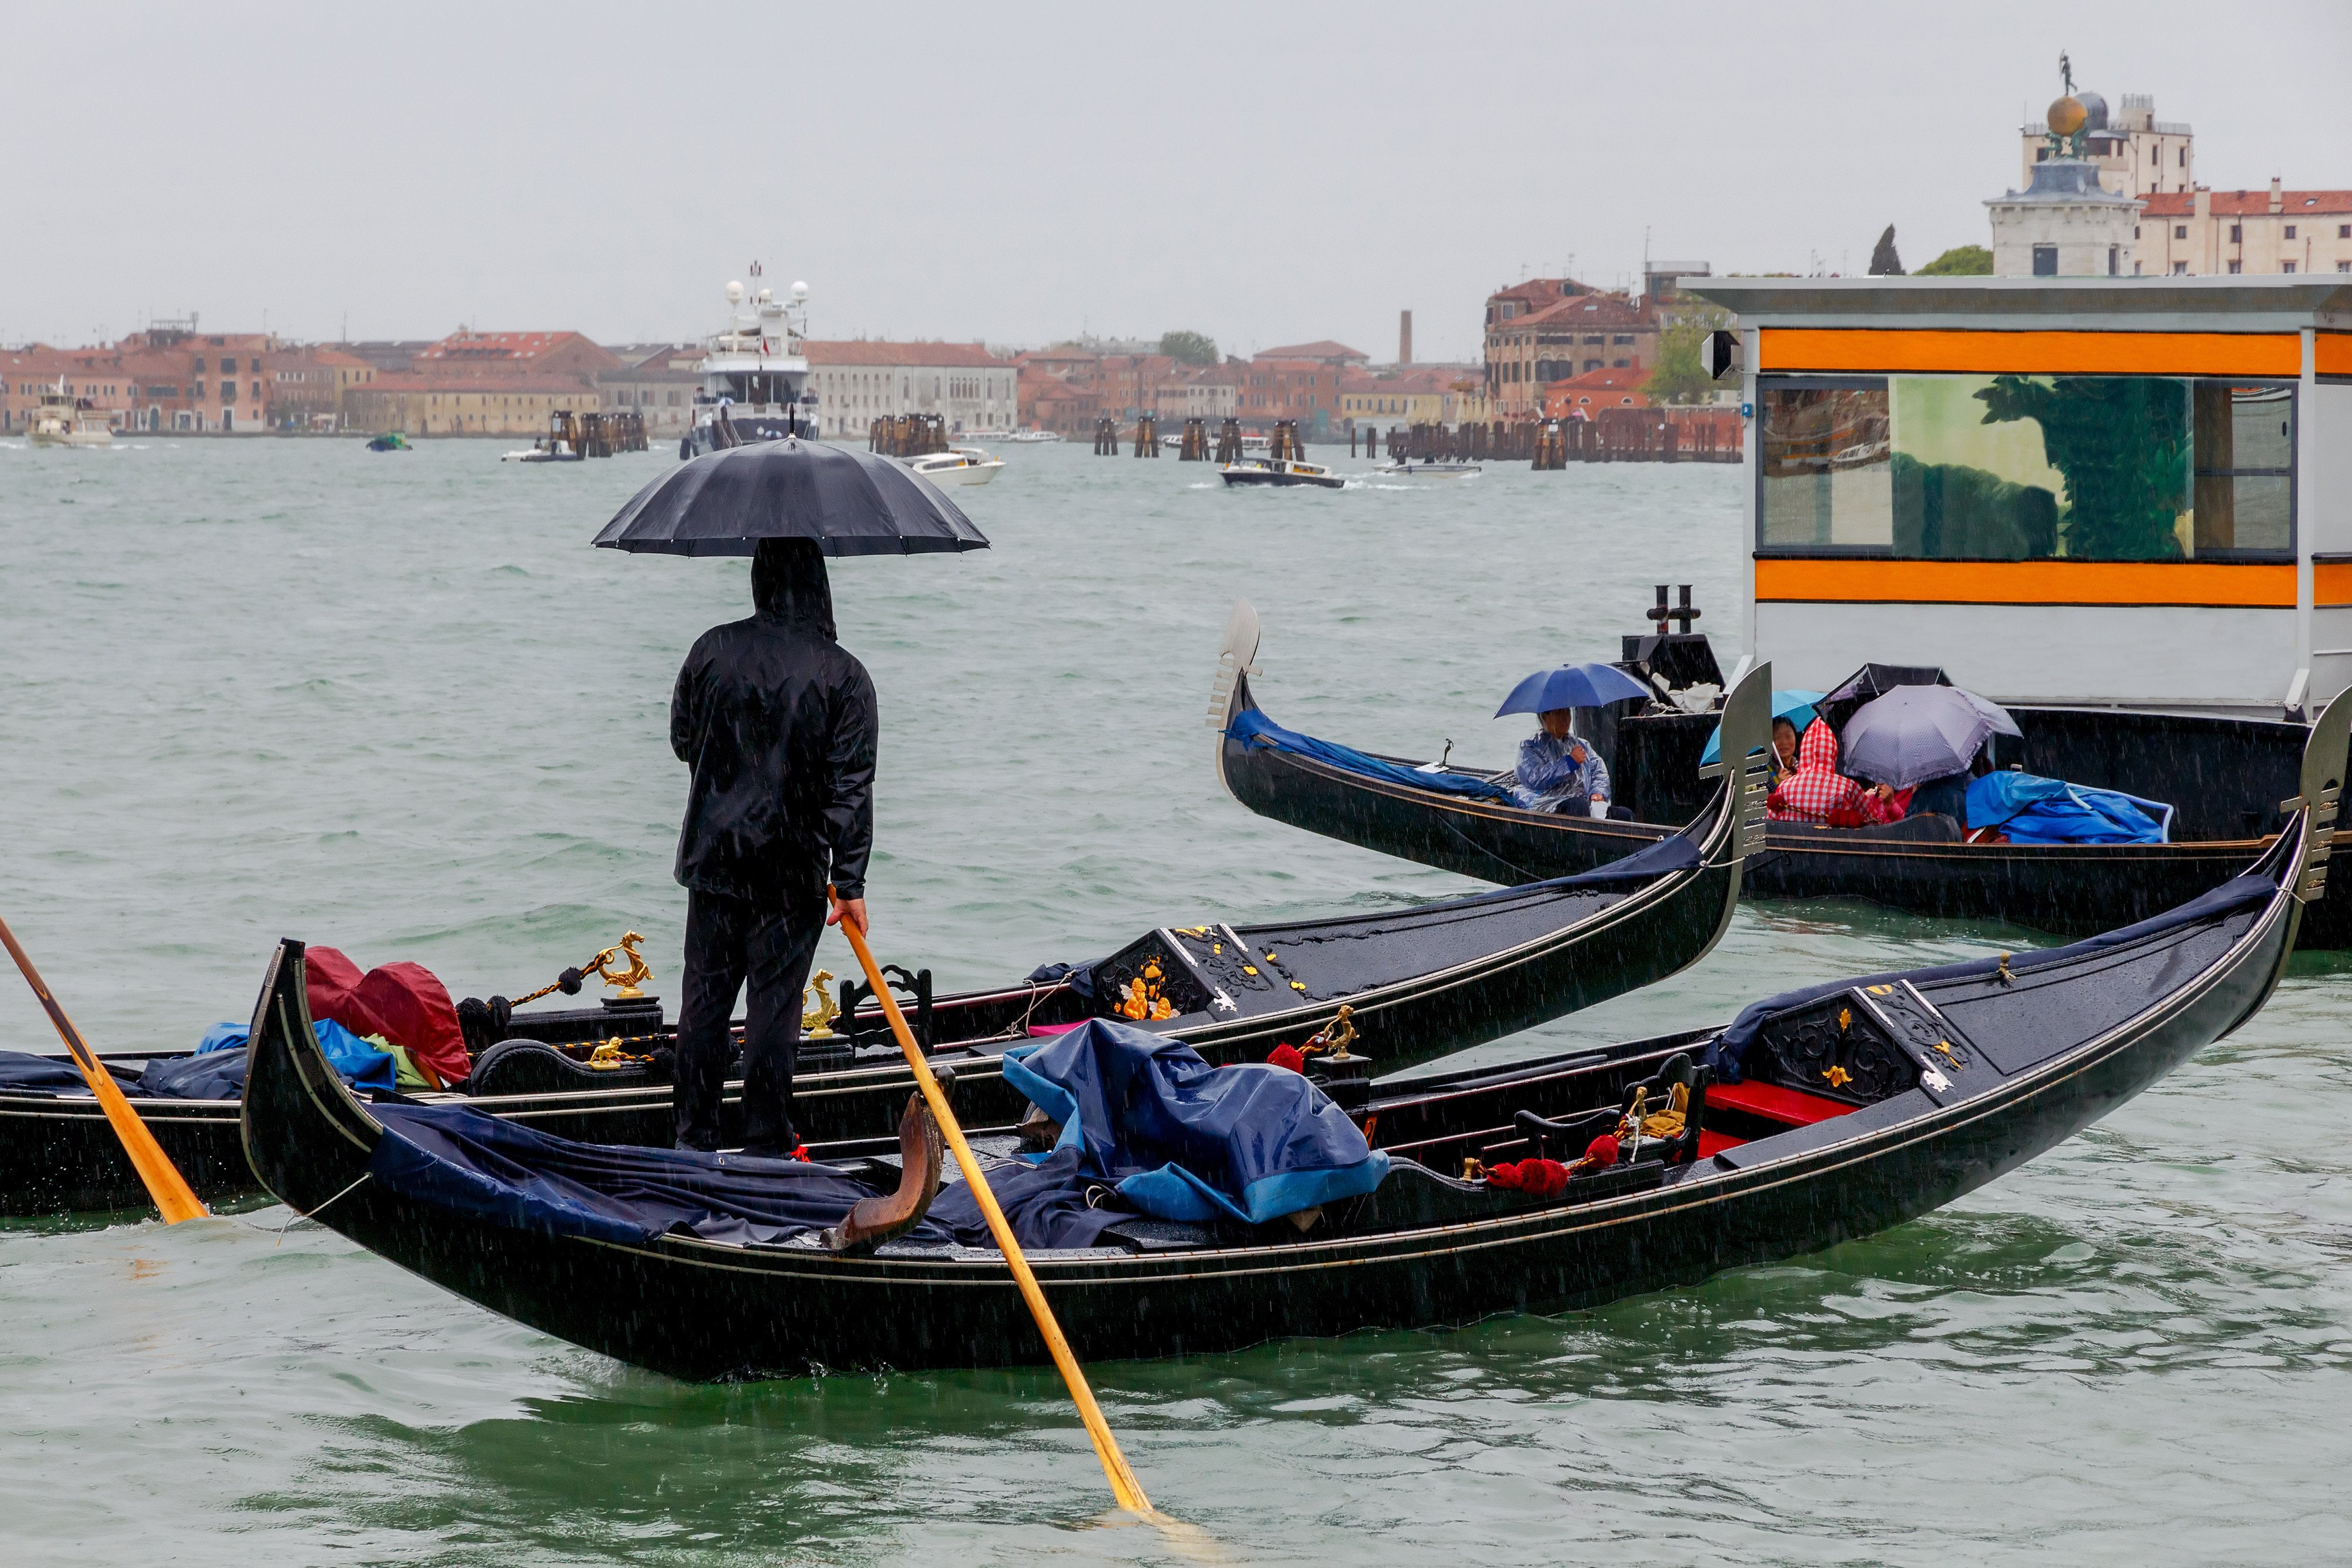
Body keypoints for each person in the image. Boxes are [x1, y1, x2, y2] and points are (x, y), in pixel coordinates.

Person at [669, 537, 877, 1156]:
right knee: (774, 1011)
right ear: (819, 586)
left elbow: (684, 740)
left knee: (703, 1004)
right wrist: (854, 883)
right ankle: (764, 1140)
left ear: (759, 578)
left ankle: (694, 1138)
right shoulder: (844, 675)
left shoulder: (711, 649)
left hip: (714, 858)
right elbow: (850, 789)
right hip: (791, 872)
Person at [1766, 718, 1906, 827]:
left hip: (1794, 855)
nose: (1784, 742)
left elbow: (1770, 822)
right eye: (1778, 737)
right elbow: (1873, 822)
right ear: (1833, 752)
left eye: (1788, 736)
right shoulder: (1847, 787)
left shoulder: (1785, 787)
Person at [1513, 708, 1612, 815]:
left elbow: (1599, 771)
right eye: (1559, 713)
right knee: (1578, 806)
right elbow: (1534, 778)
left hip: (1582, 802)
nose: (1565, 718)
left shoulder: (1581, 745)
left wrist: (1598, 792)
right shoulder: (1530, 747)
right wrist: (1569, 762)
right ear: (1544, 717)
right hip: (1546, 803)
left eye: (1567, 712)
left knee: (1623, 814)